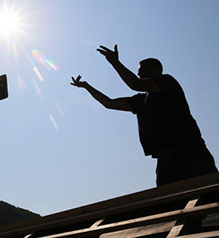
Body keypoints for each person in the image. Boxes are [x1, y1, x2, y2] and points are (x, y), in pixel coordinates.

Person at [70, 45, 217, 186]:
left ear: (156, 69)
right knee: (169, 204)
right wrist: (87, 86)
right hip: (165, 159)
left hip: (190, 152)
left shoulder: (167, 82)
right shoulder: (140, 101)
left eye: (142, 70)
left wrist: (115, 62)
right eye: (138, 71)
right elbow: (109, 103)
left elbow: (135, 83)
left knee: (209, 194)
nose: (139, 73)